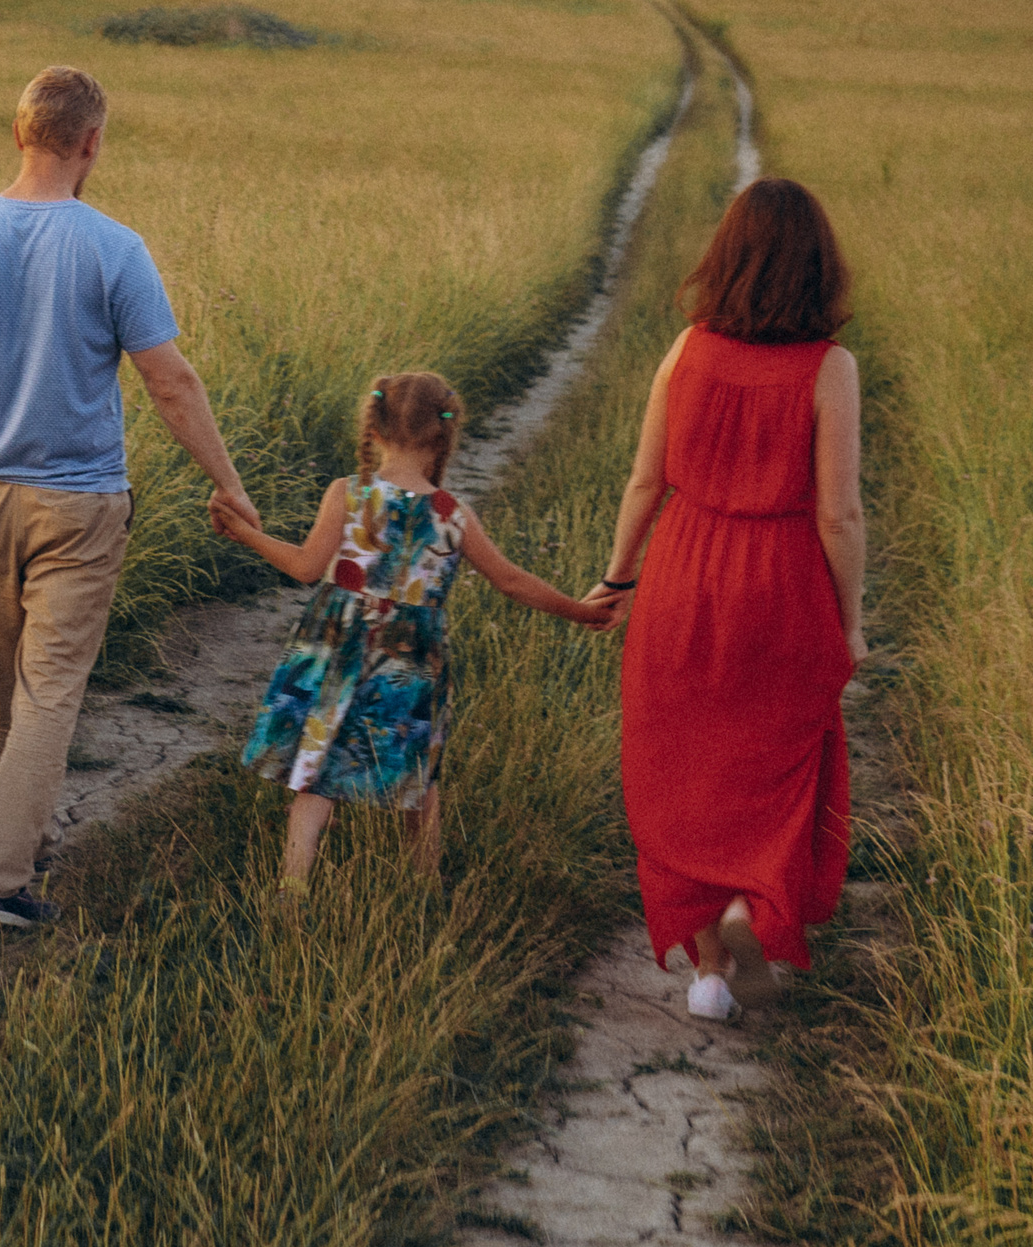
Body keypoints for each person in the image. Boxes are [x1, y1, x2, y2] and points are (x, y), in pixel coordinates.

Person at [0, 65, 256, 928]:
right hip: (81, 504)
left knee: (8, 683)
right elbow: (170, 383)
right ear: (91, 142)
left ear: (17, 133)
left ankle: (13, 840)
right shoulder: (115, 247)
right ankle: (1, 879)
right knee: (50, 690)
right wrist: (227, 483)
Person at [583, 178, 863, 1019]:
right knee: (771, 766)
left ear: (728, 259)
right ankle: (749, 908)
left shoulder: (688, 348)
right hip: (781, 581)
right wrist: (849, 619)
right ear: (819, 268)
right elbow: (839, 513)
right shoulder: (830, 368)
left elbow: (643, 480)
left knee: (684, 766)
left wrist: (618, 576)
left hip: (684, 570)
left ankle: (707, 972)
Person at [211, 373, 614, 894]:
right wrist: (580, 611)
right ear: (444, 437)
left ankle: (293, 885)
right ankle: (425, 886)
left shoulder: (349, 494)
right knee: (419, 774)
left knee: (316, 763)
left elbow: (307, 567)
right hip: (411, 661)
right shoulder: (453, 515)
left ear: (373, 429)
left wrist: (245, 533)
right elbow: (512, 581)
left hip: (338, 645)